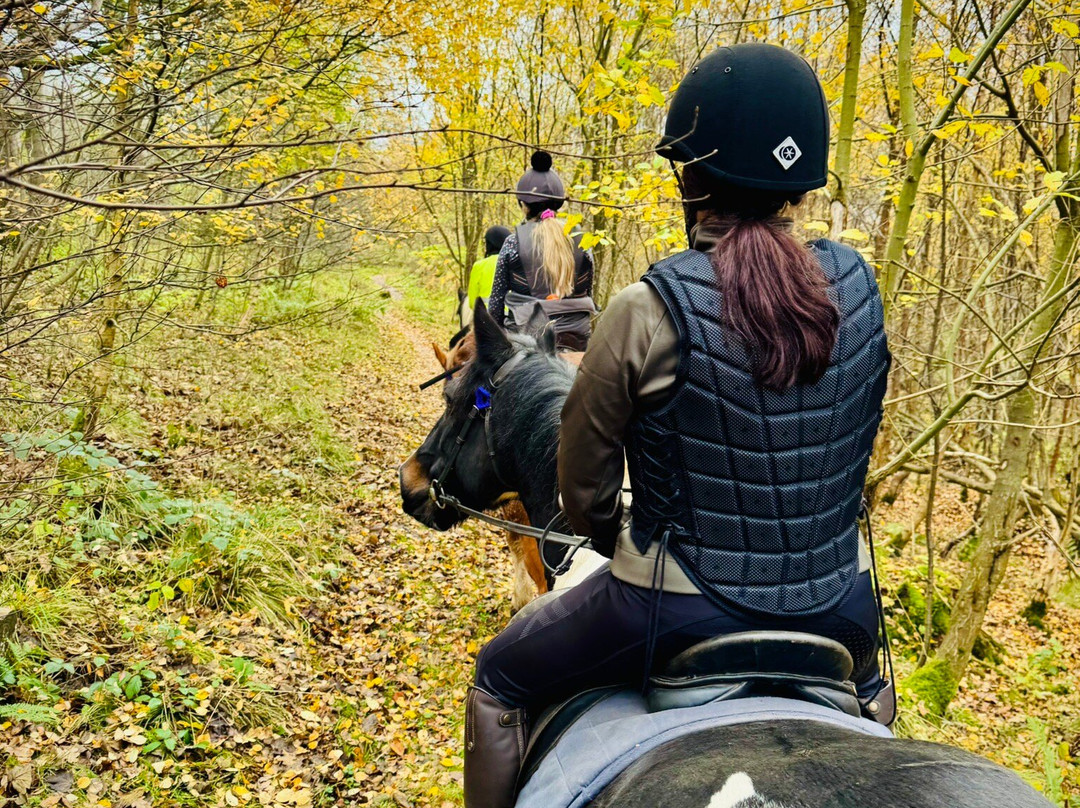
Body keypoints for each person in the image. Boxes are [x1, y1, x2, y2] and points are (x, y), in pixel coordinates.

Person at [463, 44, 892, 808]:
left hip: (677, 606)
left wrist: (607, 535)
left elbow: (583, 490)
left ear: (689, 176)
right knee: (880, 712)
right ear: (804, 180)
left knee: (497, 680)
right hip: (841, 605)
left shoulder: (648, 306)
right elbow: (857, 442)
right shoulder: (860, 289)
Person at [488, 151, 595, 351]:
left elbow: (495, 304)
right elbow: (588, 293)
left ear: (523, 205)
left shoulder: (513, 243)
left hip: (524, 341)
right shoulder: (582, 243)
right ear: (559, 204)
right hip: (577, 340)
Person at [461, 226, 511, 326]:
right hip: (512, 320)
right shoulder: (515, 263)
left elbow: (472, 303)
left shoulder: (479, 266)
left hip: (485, 320)